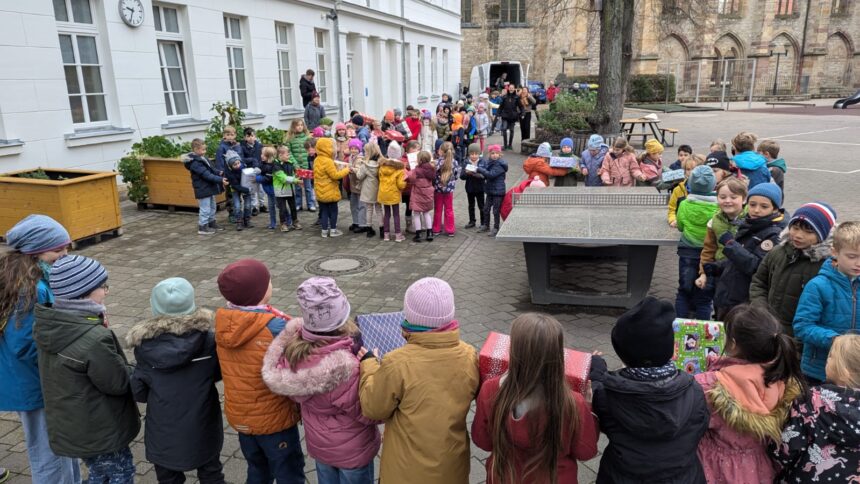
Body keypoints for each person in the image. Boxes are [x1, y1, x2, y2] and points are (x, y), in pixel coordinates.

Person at [359, 277, 480, 484]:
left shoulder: (397, 362)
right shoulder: (469, 355)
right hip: (451, 466)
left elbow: (373, 408)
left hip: (405, 471)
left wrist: (369, 364)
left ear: (409, 317)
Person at [262, 277, 380, 484]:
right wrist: (373, 368)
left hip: (320, 448)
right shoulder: (347, 368)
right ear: (342, 319)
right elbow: (370, 412)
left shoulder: (292, 354)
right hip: (353, 453)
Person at [33, 255, 140, 483]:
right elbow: (118, 382)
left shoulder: (51, 323)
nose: (107, 291)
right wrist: (137, 370)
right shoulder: (92, 338)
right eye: (102, 286)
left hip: (75, 424)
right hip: (100, 428)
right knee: (120, 473)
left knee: (99, 472)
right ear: (83, 293)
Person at [589, 296, 709, 483]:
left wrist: (596, 371)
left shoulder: (607, 396)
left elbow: (597, 401)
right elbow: (700, 427)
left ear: (625, 354)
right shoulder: (694, 391)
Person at [471, 313, 599, 483]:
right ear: (558, 355)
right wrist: (589, 408)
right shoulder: (573, 403)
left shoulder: (490, 390)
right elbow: (586, 451)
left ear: (514, 350)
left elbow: (483, 441)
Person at [0, 216, 80, 483]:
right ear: (35, 252)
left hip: (38, 380)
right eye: (58, 250)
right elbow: (25, 344)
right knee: (50, 453)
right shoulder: (29, 289)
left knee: (62, 444)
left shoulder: (33, 277)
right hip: (37, 384)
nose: (64, 254)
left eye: (66, 247)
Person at [127, 278, 225, 483]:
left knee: (169, 478)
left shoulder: (144, 346)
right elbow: (217, 373)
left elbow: (139, 391)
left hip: (164, 431)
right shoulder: (208, 339)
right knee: (212, 473)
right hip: (204, 422)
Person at [214, 259, 304, 484]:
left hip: (242, 417)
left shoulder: (224, 321)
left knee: (257, 467)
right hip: (274, 418)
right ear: (260, 292)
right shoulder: (276, 328)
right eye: (269, 281)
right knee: (288, 470)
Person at [694, 305, 805, 484]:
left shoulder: (710, 385)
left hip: (717, 468)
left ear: (733, 344)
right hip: (763, 468)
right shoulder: (782, 380)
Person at [773, 334, 860, 482]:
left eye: (831, 357)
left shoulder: (810, 401)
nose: (827, 359)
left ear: (845, 372)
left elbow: (787, 449)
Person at [750, 202, 837, 338]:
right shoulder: (777, 252)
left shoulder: (828, 264)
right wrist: (761, 309)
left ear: (823, 234)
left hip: (801, 337)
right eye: (795, 228)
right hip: (770, 329)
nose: (798, 235)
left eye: (808, 231)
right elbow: (759, 282)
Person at [793, 221, 860, 385]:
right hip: (819, 370)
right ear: (834, 252)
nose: (858, 263)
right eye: (852, 256)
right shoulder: (818, 286)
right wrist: (835, 340)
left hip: (855, 370)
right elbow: (802, 326)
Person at [710, 182, 786, 320]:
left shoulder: (774, 234)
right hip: (730, 294)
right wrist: (718, 267)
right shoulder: (749, 224)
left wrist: (730, 244)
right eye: (752, 205)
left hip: (744, 300)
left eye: (764, 206)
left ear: (775, 208)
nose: (756, 210)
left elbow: (756, 266)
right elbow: (740, 257)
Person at [675, 165, 720, 320]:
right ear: (713, 185)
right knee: (704, 298)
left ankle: (678, 329)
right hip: (709, 256)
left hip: (687, 252)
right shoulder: (718, 207)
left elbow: (680, 225)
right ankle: (704, 336)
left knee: (684, 292)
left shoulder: (684, 204)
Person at [695, 177, 749, 300]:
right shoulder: (713, 222)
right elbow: (708, 250)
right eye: (723, 197)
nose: (727, 201)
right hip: (721, 273)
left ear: (744, 199)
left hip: (743, 274)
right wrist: (703, 273)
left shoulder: (751, 220)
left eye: (733, 197)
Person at [185, 138, 228, 235]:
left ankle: (211, 223)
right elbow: (206, 175)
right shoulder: (195, 163)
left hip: (209, 188)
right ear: (196, 149)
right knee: (205, 208)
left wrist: (218, 172)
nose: (205, 151)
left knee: (212, 206)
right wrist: (220, 180)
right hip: (202, 188)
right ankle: (202, 227)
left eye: (205, 149)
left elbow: (211, 169)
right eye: (202, 149)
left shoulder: (203, 158)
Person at [314, 137, 350, 238]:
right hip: (330, 191)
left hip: (320, 190)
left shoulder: (317, 160)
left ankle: (324, 231)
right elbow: (335, 176)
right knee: (333, 211)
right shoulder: (328, 161)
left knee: (324, 211)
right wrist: (346, 170)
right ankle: (333, 230)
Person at [378, 142, 408, 242]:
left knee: (386, 214)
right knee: (396, 214)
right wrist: (405, 183)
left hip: (383, 193)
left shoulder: (382, 166)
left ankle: (386, 235)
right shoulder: (399, 168)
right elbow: (400, 184)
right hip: (394, 194)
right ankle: (398, 235)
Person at [477, 144, 508, 237]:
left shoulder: (500, 165)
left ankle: (496, 227)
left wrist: (479, 169)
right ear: (489, 154)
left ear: (500, 154)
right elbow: (486, 174)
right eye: (492, 153)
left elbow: (491, 175)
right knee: (486, 208)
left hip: (498, 191)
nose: (494, 155)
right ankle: (486, 225)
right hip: (490, 190)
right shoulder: (490, 163)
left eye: (496, 153)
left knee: (495, 210)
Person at [286, 119, 316, 212]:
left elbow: (311, 150)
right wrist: (295, 164)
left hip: (306, 166)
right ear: (293, 127)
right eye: (297, 125)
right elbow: (289, 152)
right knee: (298, 187)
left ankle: (310, 204)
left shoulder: (307, 137)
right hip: (296, 167)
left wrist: (308, 162)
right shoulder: (290, 139)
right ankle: (298, 204)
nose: (299, 127)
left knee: (308, 187)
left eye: (301, 125)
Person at [406, 150, 436, 243]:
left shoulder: (416, 170)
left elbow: (409, 178)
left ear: (419, 160)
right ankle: (429, 233)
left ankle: (418, 234)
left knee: (416, 214)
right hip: (427, 195)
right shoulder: (432, 169)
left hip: (418, 195)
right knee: (426, 213)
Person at [433, 141, 461, 237]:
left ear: (441, 151)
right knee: (449, 210)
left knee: (438, 210)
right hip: (449, 191)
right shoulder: (455, 162)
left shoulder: (437, 163)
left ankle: (436, 229)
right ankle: (450, 230)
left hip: (438, 190)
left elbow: (433, 175)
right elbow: (457, 175)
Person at [357, 141, 383, 238]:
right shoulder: (381, 163)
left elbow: (359, 176)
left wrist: (358, 168)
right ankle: (382, 229)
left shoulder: (365, 165)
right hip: (378, 188)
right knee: (379, 209)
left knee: (369, 209)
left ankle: (369, 229)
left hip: (368, 189)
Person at [667, 156, 702, 227]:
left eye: (694, 169)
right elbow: (672, 209)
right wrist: (673, 220)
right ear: (685, 171)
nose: (691, 172)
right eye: (688, 169)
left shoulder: (705, 189)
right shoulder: (678, 190)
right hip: (681, 225)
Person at [273, 145, 301, 232]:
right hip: (280, 191)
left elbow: (292, 174)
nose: (289, 156)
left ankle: (295, 222)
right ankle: (283, 223)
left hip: (290, 190)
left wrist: (298, 175)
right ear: (280, 155)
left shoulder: (290, 163)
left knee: (293, 207)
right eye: (287, 154)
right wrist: (296, 180)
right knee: (283, 209)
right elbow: (283, 178)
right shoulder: (276, 165)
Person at [224, 151, 253, 231]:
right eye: (234, 164)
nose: (237, 165)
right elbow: (235, 186)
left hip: (246, 187)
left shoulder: (245, 167)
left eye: (238, 163)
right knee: (237, 206)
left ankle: (247, 220)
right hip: (236, 189)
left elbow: (253, 163)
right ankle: (239, 221)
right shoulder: (229, 173)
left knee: (248, 205)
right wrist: (247, 189)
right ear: (230, 166)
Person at [461, 143, 486, 230]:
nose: (474, 156)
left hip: (480, 188)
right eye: (472, 154)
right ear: (469, 154)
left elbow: (485, 175)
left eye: (476, 154)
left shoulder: (483, 162)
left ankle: (483, 222)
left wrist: (477, 174)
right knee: (471, 205)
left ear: (479, 154)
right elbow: (462, 176)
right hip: (470, 188)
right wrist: (467, 173)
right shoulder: (466, 162)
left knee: (482, 206)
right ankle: (472, 221)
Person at [241, 127, 265, 215]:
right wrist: (251, 160)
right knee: (253, 190)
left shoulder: (260, 146)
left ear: (255, 136)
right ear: (245, 138)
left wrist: (261, 165)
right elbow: (242, 159)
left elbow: (263, 157)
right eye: (248, 136)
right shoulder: (242, 147)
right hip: (250, 171)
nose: (251, 138)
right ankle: (254, 207)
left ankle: (262, 205)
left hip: (260, 170)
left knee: (261, 190)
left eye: (252, 136)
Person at [346, 138, 366, 234]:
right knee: (353, 205)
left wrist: (351, 169)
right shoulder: (350, 157)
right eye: (351, 148)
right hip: (352, 186)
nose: (353, 150)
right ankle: (355, 221)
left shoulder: (360, 159)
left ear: (359, 149)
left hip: (359, 186)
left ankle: (362, 224)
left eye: (355, 148)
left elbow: (359, 171)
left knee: (361, 205)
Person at [498, 84, 522, 151]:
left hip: (513, 116)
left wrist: (522, 113)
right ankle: (505, 145)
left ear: (514, 89)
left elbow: (521, 106)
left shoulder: (517, 97)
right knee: (504, 129)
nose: (511, 89)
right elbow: (501, 107)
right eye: (510, 88)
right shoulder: (504, 97)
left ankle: (510, 145)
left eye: (512, 88)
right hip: (505, 116)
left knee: (511, 130)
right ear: (508, 89)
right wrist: (498, 114)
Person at [258, 146, 278, 229]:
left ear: (269, 156)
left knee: (279, 205)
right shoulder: (263, 164)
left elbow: (269, 178)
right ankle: (273, 222)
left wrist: (258, 178)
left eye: (263, 154)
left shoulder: (273, 166)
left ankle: (287, 219)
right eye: (261, 154)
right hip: (269, 191)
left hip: (275, 189)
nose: (261, 156)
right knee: (271, 206)